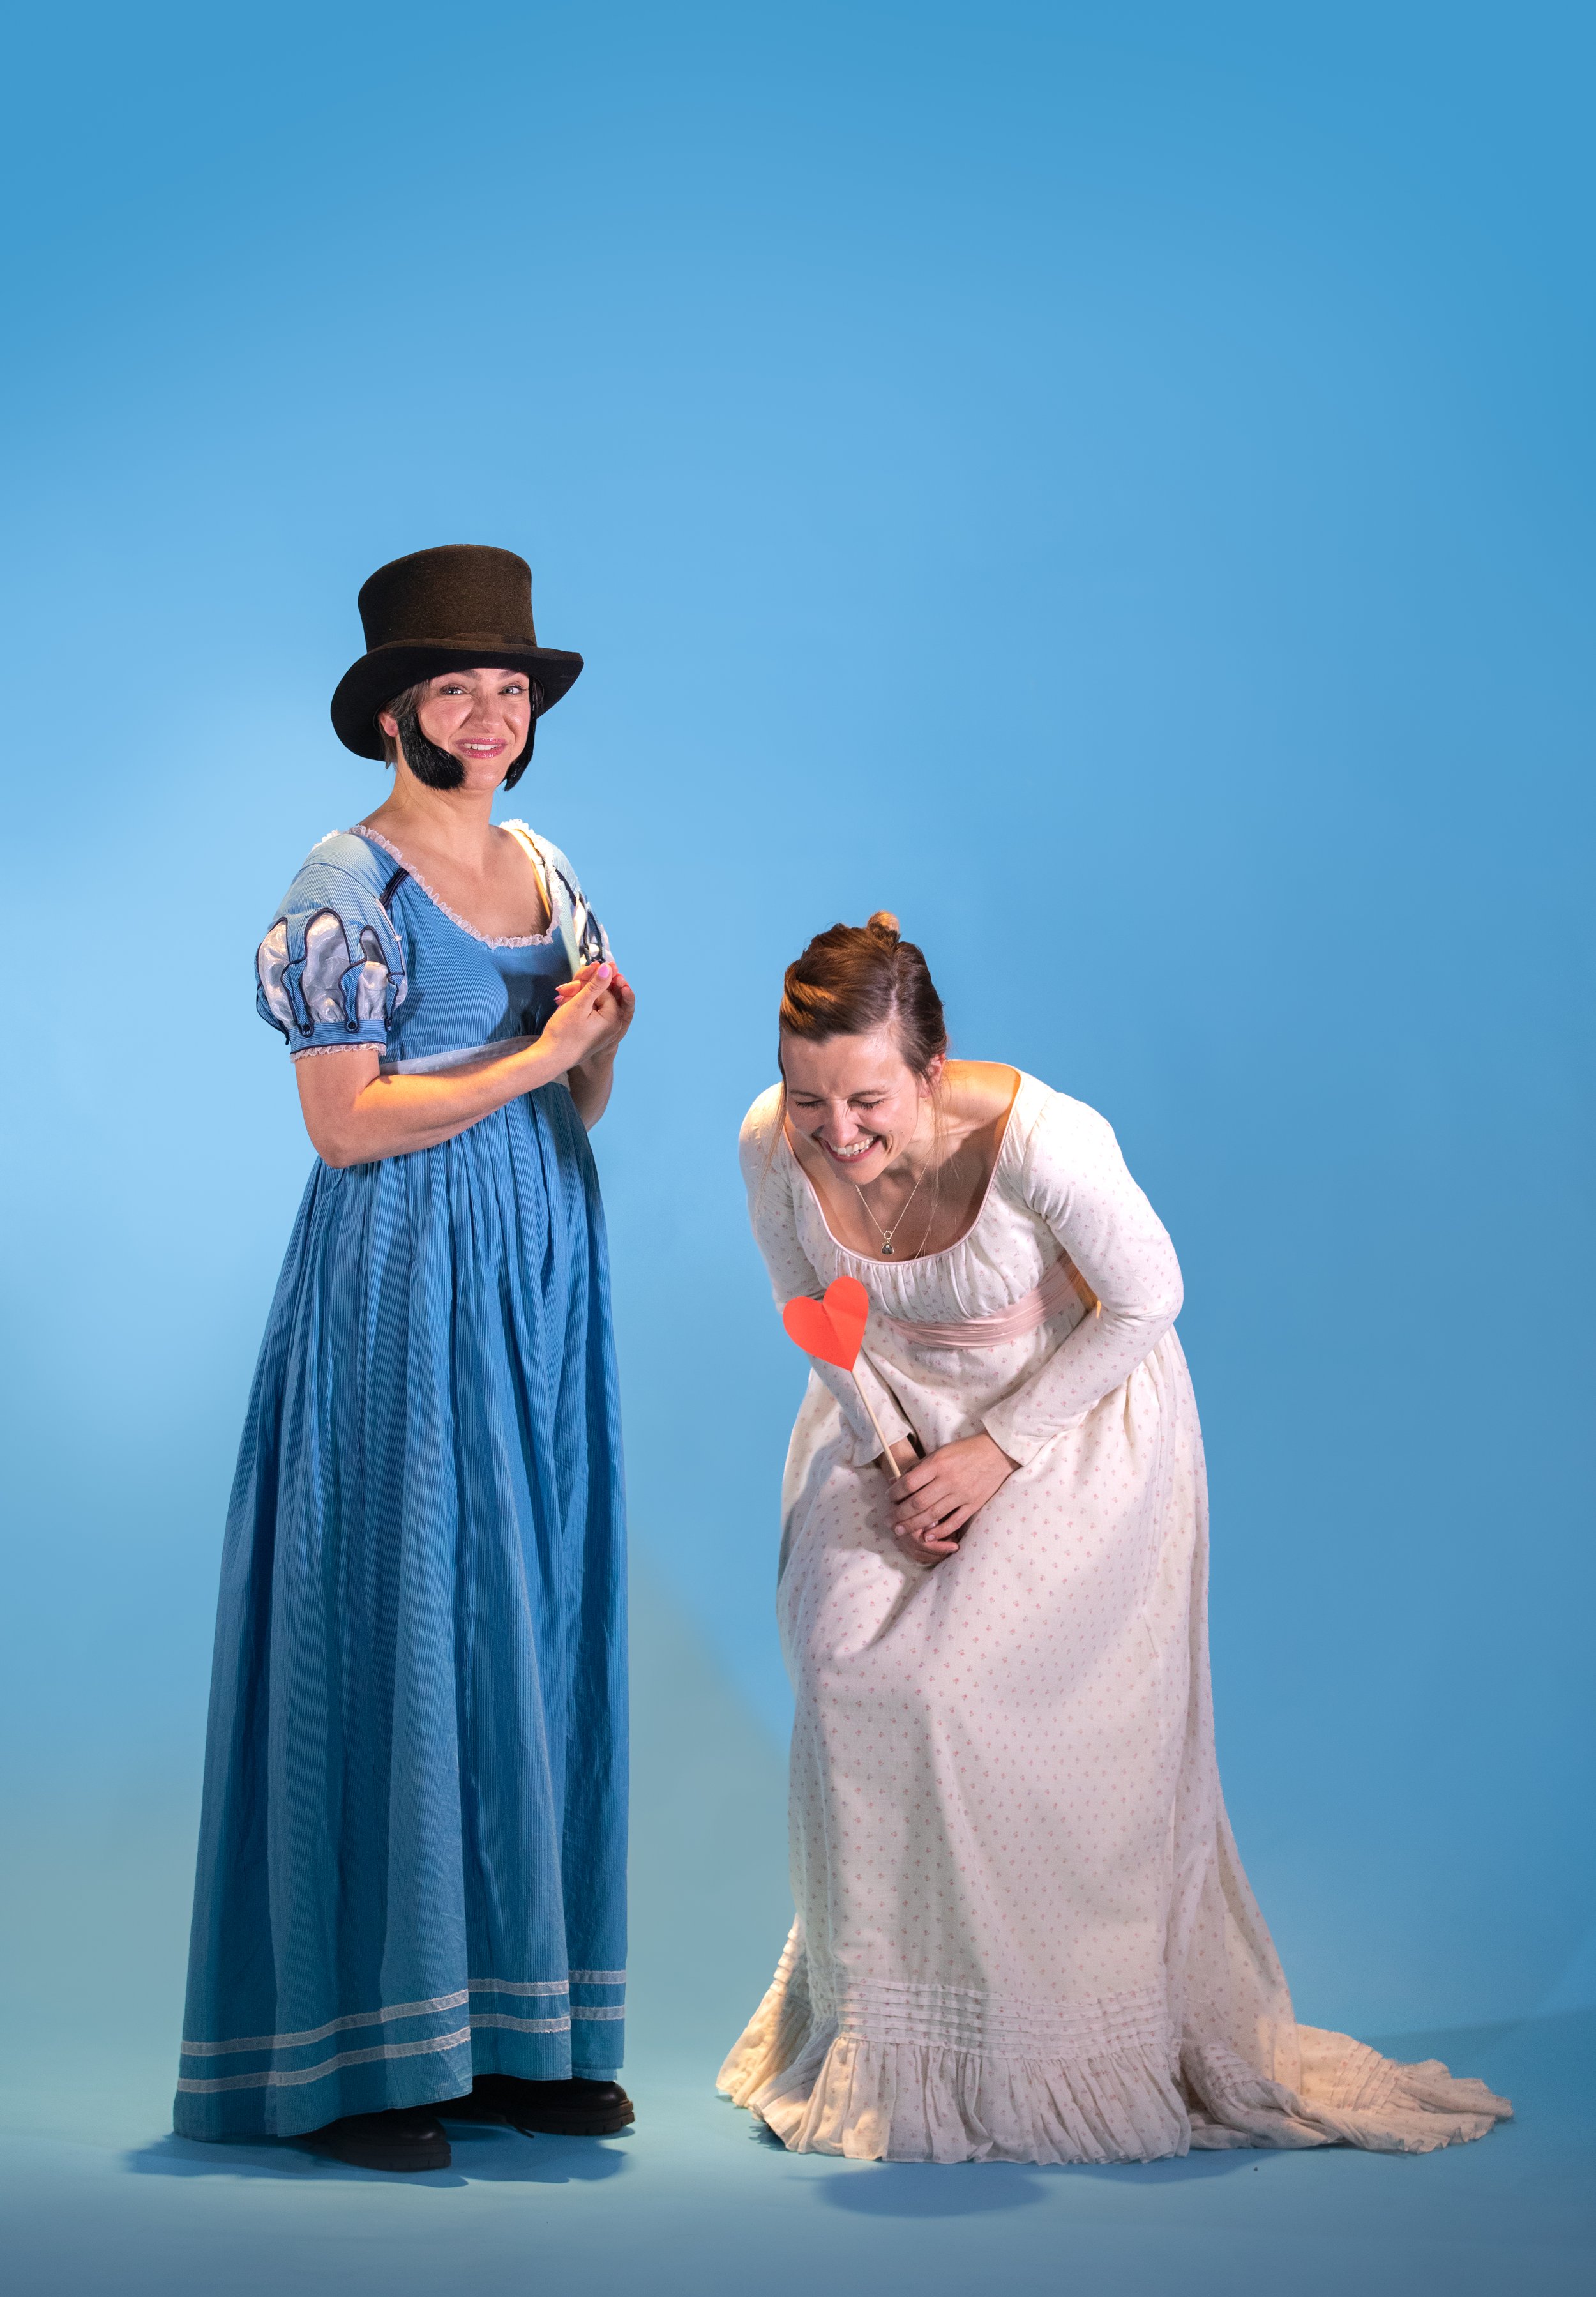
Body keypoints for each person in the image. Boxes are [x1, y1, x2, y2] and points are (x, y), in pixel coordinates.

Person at [719, 913, 1510, 2164]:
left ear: (931, 1071)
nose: (837, 1131)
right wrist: (891, 1447)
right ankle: (882, 2035)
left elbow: (1147, 1298)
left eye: (866, 1100)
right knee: (842, 1678)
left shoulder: (1044, 1140)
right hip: (891, 1412)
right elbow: (806, 1303)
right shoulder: (773, 1142)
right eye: (808, 1098)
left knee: (959, 1696)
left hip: (1065, 1412)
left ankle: (1042, 2042)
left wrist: (995, 1451)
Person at [176, 545, 635, 2172]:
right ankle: (366, 2057)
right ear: (393, 714)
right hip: (405, 1266)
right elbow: (346, 1123)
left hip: (538, 1264)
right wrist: (536, 1056)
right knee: (407, 1601)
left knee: (527, 1607)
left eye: (510, 688)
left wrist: (593, 1047)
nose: (492, 715)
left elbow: (577, 1099)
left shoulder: (546, 864)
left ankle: (518, 2036)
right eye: (457, 689)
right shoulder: (343, 882)